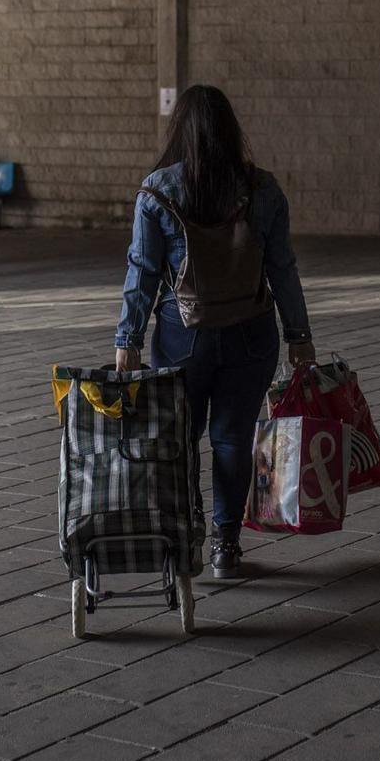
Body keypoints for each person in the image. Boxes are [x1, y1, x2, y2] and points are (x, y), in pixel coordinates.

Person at [115, 84, 317, 581]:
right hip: (251, 331)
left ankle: (189, 530)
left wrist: (128, 341)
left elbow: (141, 272)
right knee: (232, 439)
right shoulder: (263, 189)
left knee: (180, 439)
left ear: (180, 129)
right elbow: (283, 270)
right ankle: (227, 546)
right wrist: (299, 336)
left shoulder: (158, 189)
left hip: (182, 336)